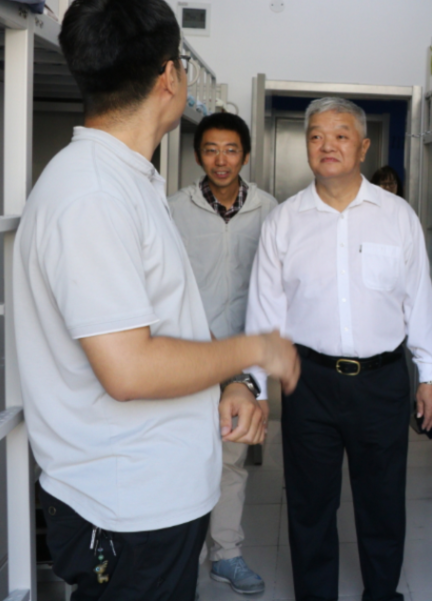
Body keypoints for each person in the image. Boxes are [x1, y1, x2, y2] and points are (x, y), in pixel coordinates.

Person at [13, 0, 300, 601]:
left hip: (152, 496)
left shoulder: (130, 181)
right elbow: (129, 370)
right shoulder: (93, 196)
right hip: (125, 510)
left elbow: (167, 321)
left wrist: (226, 382)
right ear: (170, 77)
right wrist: (255, 350)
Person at [246, 97, 432, 601]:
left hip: (381, 383)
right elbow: (264, 313)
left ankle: (382, 593)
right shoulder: (284, 222)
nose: (327, 145)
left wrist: (430, 375)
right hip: (309, 382)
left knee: (382, 503)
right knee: (310, 505)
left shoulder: (396, 216)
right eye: (316, 135)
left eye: (340, 135)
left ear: (363, 146)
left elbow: (418, 299)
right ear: (307, 146)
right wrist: (255, 388)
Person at [168, 111, 279, 594]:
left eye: (231, 150)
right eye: (211, 150)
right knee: (187, 455)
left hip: (242, 357)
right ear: (198, 156)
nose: (221, 160)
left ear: (245, 156)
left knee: (232, 458)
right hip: (189, 355)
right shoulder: (175, 209)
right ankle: (183, 558)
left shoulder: (270, 210)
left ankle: (226, 554)